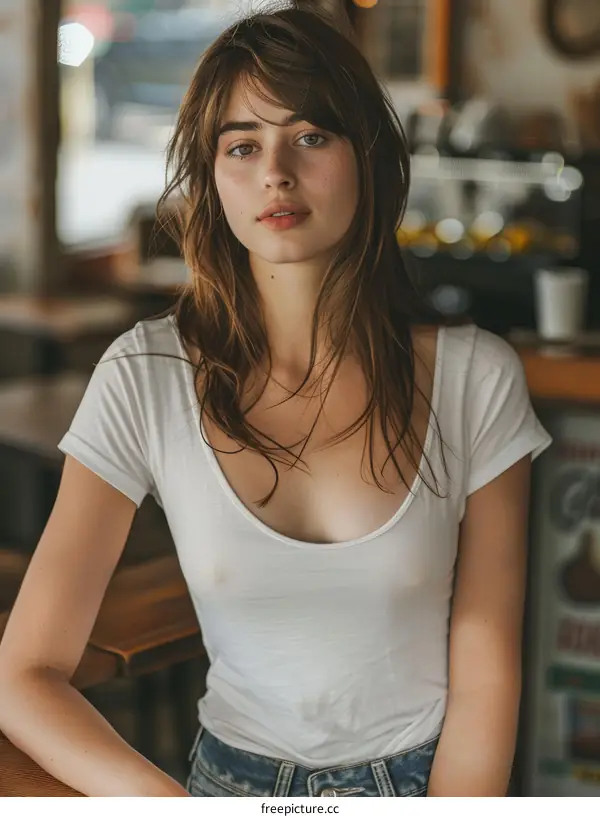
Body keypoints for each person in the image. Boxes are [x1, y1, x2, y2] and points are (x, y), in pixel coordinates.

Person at [0, 4, 552, 798]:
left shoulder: (476, 378)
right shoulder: (146, 374)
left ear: (368, 154)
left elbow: (488, 674)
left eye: (311, 135)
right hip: (224, 785)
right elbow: (26, 673)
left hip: (422, 786)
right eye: (243, 145)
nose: (276, 173)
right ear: (211, 173)